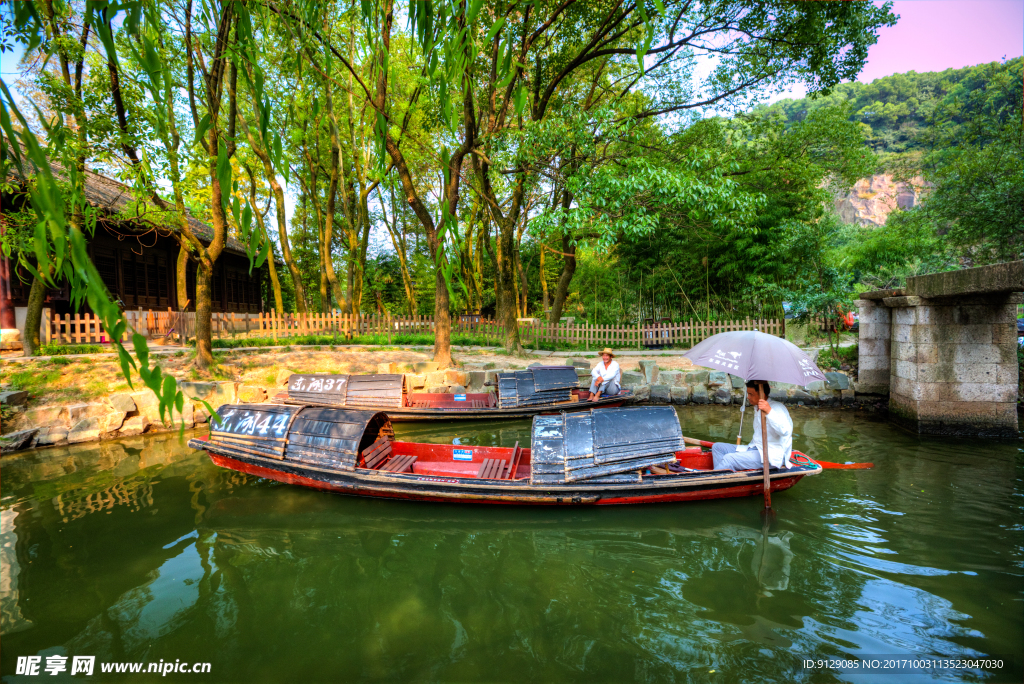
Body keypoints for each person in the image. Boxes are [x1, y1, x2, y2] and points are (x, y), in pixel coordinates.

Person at [710, 381, 793, 471]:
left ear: (762, 395)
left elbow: (785, 431)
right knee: (717, 447)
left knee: (729, 459)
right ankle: (723, 477)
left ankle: (716, 480)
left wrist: (769, 411)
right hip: (754, 448)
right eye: (748, 393)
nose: (748, 397)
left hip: (770, 455)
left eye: (751, 394)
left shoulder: (777, 408)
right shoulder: (758, 407)